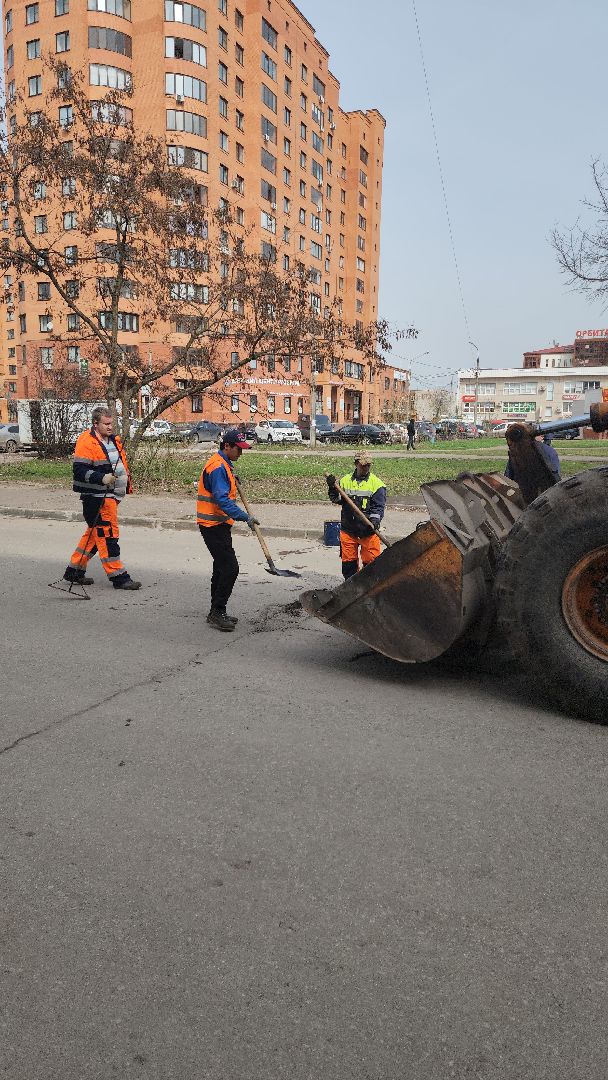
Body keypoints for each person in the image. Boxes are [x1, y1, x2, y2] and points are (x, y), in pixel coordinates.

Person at [63, 406, 141, 590]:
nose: (110, 427)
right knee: (108, 536)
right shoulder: (87, 442)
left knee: (93, 535)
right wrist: (102, 478)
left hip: (111, 497)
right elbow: (79, 471)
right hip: (97, 498)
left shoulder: (113, 440)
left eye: (111, 423)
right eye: (106, 424)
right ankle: (119, 577)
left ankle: (74, 570)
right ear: (95, 424)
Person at [197, 428, 260, 631]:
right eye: (238, 449)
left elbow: (225, 487)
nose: (241, 453)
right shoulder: (217, 467)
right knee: (230, 568)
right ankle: (217, 611)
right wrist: (244, 517)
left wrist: (233, 479)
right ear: (227, 446)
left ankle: (215, 610)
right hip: (212, 525)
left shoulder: (225, 464)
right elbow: (222, 499)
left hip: (220, 524)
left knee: (221, 566)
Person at [326, 451, 387, 579]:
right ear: (356, 464)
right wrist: (332, 487)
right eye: (363, 465)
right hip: (349, 531)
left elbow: (378, 508)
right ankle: (350, 589)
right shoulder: (345, 481)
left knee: (372, 566)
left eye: (368, 465)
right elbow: (337, 499)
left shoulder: (377, 484)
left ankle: (370, 590)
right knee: (349, 565)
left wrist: (374, 522)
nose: (365, 468)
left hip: (368, 532)